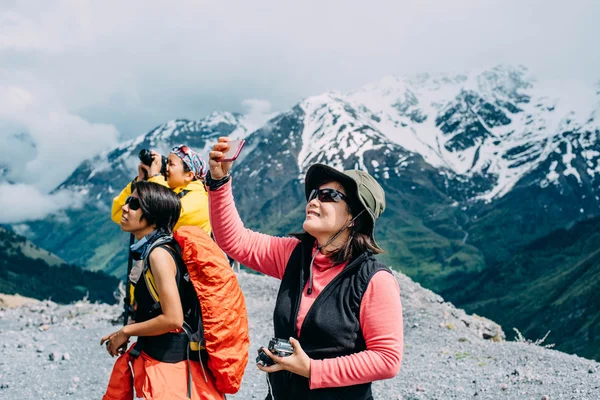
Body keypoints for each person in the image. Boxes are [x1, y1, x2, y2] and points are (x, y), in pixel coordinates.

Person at [206, 138, 404, 400]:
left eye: (328, 196)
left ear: (354, 217)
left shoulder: (373, 279)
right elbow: (235, 241)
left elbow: (387, 359)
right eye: (313, 194)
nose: (313, 201)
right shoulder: (294, 255)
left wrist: (311, 369)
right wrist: (219, 182)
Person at [101, 181, 225, 400]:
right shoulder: (160, 249)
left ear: (153, 216)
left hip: (170, 366)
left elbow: (173, 319)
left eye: (135, 203)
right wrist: (132, 328)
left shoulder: (158, 255)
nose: (126, 208)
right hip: (172, 362)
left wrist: (126, 332)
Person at [112, 145, 211, 234]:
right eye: (166, 162)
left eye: (171, 164)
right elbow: (118, 214)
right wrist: (139, 183)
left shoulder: (201, 199)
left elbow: (168, 214)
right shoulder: (170, 192)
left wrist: (155, 177)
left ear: (189, 175)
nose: (165, 168)